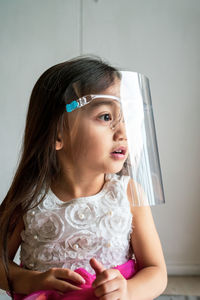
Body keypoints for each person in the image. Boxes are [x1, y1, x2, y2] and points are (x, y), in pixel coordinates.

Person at [0, 56, 167, 300]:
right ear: (57, 133)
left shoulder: (129, 193)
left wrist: (127, 291)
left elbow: (157, 272)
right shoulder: (30, 198)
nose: (123, 132)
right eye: (106, 117)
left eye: (125, 118)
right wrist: (32, 280)